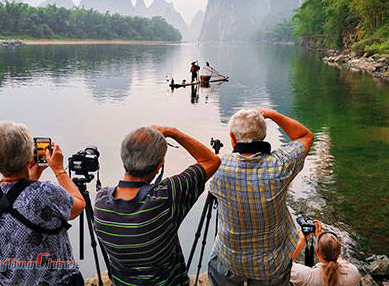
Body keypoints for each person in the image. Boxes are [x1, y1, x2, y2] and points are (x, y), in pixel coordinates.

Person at [93, 126, 221, 285]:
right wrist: (173, 132)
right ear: (160, 165)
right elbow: (211, 161)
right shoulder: (165, 196)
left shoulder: (100, 201)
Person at [208, 108, 315, 285]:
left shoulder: (218, 167)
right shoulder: (280, 165)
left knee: (217, 262)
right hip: (271, 264)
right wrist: (271, 114)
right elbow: (305, 136)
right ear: (263, 136)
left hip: (230, 258)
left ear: (232, 138)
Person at [0, 121, 86, 286]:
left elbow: (14, 208)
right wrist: (59, 171)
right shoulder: (46, 192)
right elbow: (78, 207)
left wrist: (28, 181)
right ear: (28, 157)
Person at [289, 220, 361, 286]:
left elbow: (282, 267)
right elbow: (337, 258)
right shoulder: (353, 271)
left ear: (317, 252)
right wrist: (318, 235)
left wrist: (300, 244)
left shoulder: (307, 276)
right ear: (339, 252)